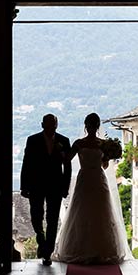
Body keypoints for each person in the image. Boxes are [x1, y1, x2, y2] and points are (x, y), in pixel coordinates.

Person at [52, 113, 132, 264]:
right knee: (84, 211)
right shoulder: (84, 144)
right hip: (86, 179)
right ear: (87, 126)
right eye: (90, 125)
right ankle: (86, 249)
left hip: (97, 178)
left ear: (93, 126)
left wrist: (108, 157)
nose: (91, 128)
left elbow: (105, 164)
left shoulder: (98, 144)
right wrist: (59, 149)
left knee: (100, 212)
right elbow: (67, 159)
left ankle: (97, 249)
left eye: (93, 125)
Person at [20, 114, 72, 265]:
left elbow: (67, 167)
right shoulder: (32, 140)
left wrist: (65, 187)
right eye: (48, 124)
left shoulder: (64, 140)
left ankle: (47, 252)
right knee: (36, 216)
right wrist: (24, 186)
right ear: (42, 124)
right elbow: (26, 164)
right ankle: (41, 239)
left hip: (55, 185)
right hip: (36, 185)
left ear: (57, 125)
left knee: (53, 219)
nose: (51, 127)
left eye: (53, 124)